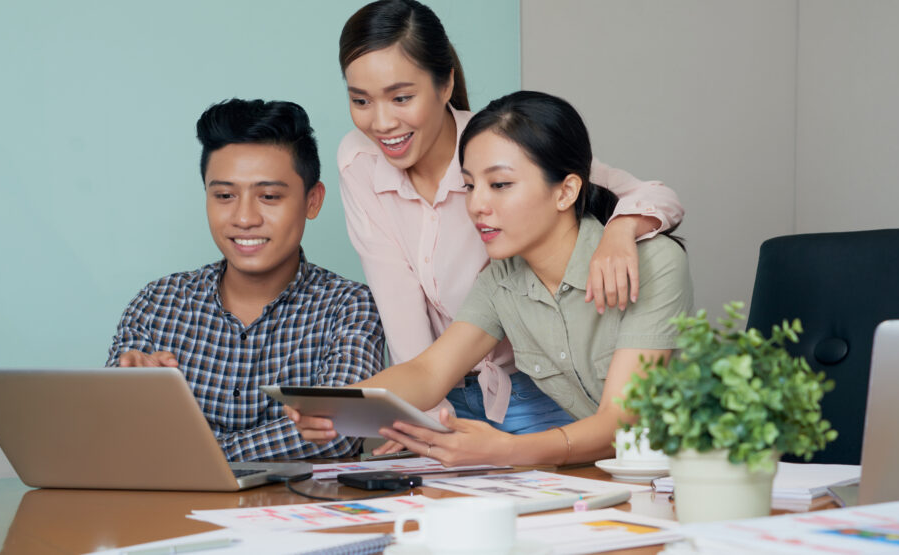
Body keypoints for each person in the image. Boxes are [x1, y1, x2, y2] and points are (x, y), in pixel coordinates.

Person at [336, 0, 685, 435]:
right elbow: (406, 323)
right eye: (360, 100)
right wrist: (399, 416)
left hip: (535, 388)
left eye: (401, 97)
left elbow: (642, 193)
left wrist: (621, 230)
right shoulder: (360, 161)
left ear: (445, 84)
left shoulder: (503, 142)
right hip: (443, 388)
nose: (382, 122)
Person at [291, 90, 694, 466]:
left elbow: (622, 420)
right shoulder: (500, 280)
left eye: (500, 185)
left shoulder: (654, 263)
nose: (477, 204)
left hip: (686, 477)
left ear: (566, 191)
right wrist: (336, 404)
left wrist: (508, 449)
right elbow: (428, 372)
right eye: (469, 185)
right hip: (607, 478)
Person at [106, 99, 385, 461]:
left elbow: (337, 431)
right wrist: (128, 396)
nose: (244, 218)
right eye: (224, 196)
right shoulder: (157, 303)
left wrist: (200, 457)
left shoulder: (350, 307)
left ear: (312, 201)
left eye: (269, 196)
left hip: (300, 500)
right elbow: (112, 431)